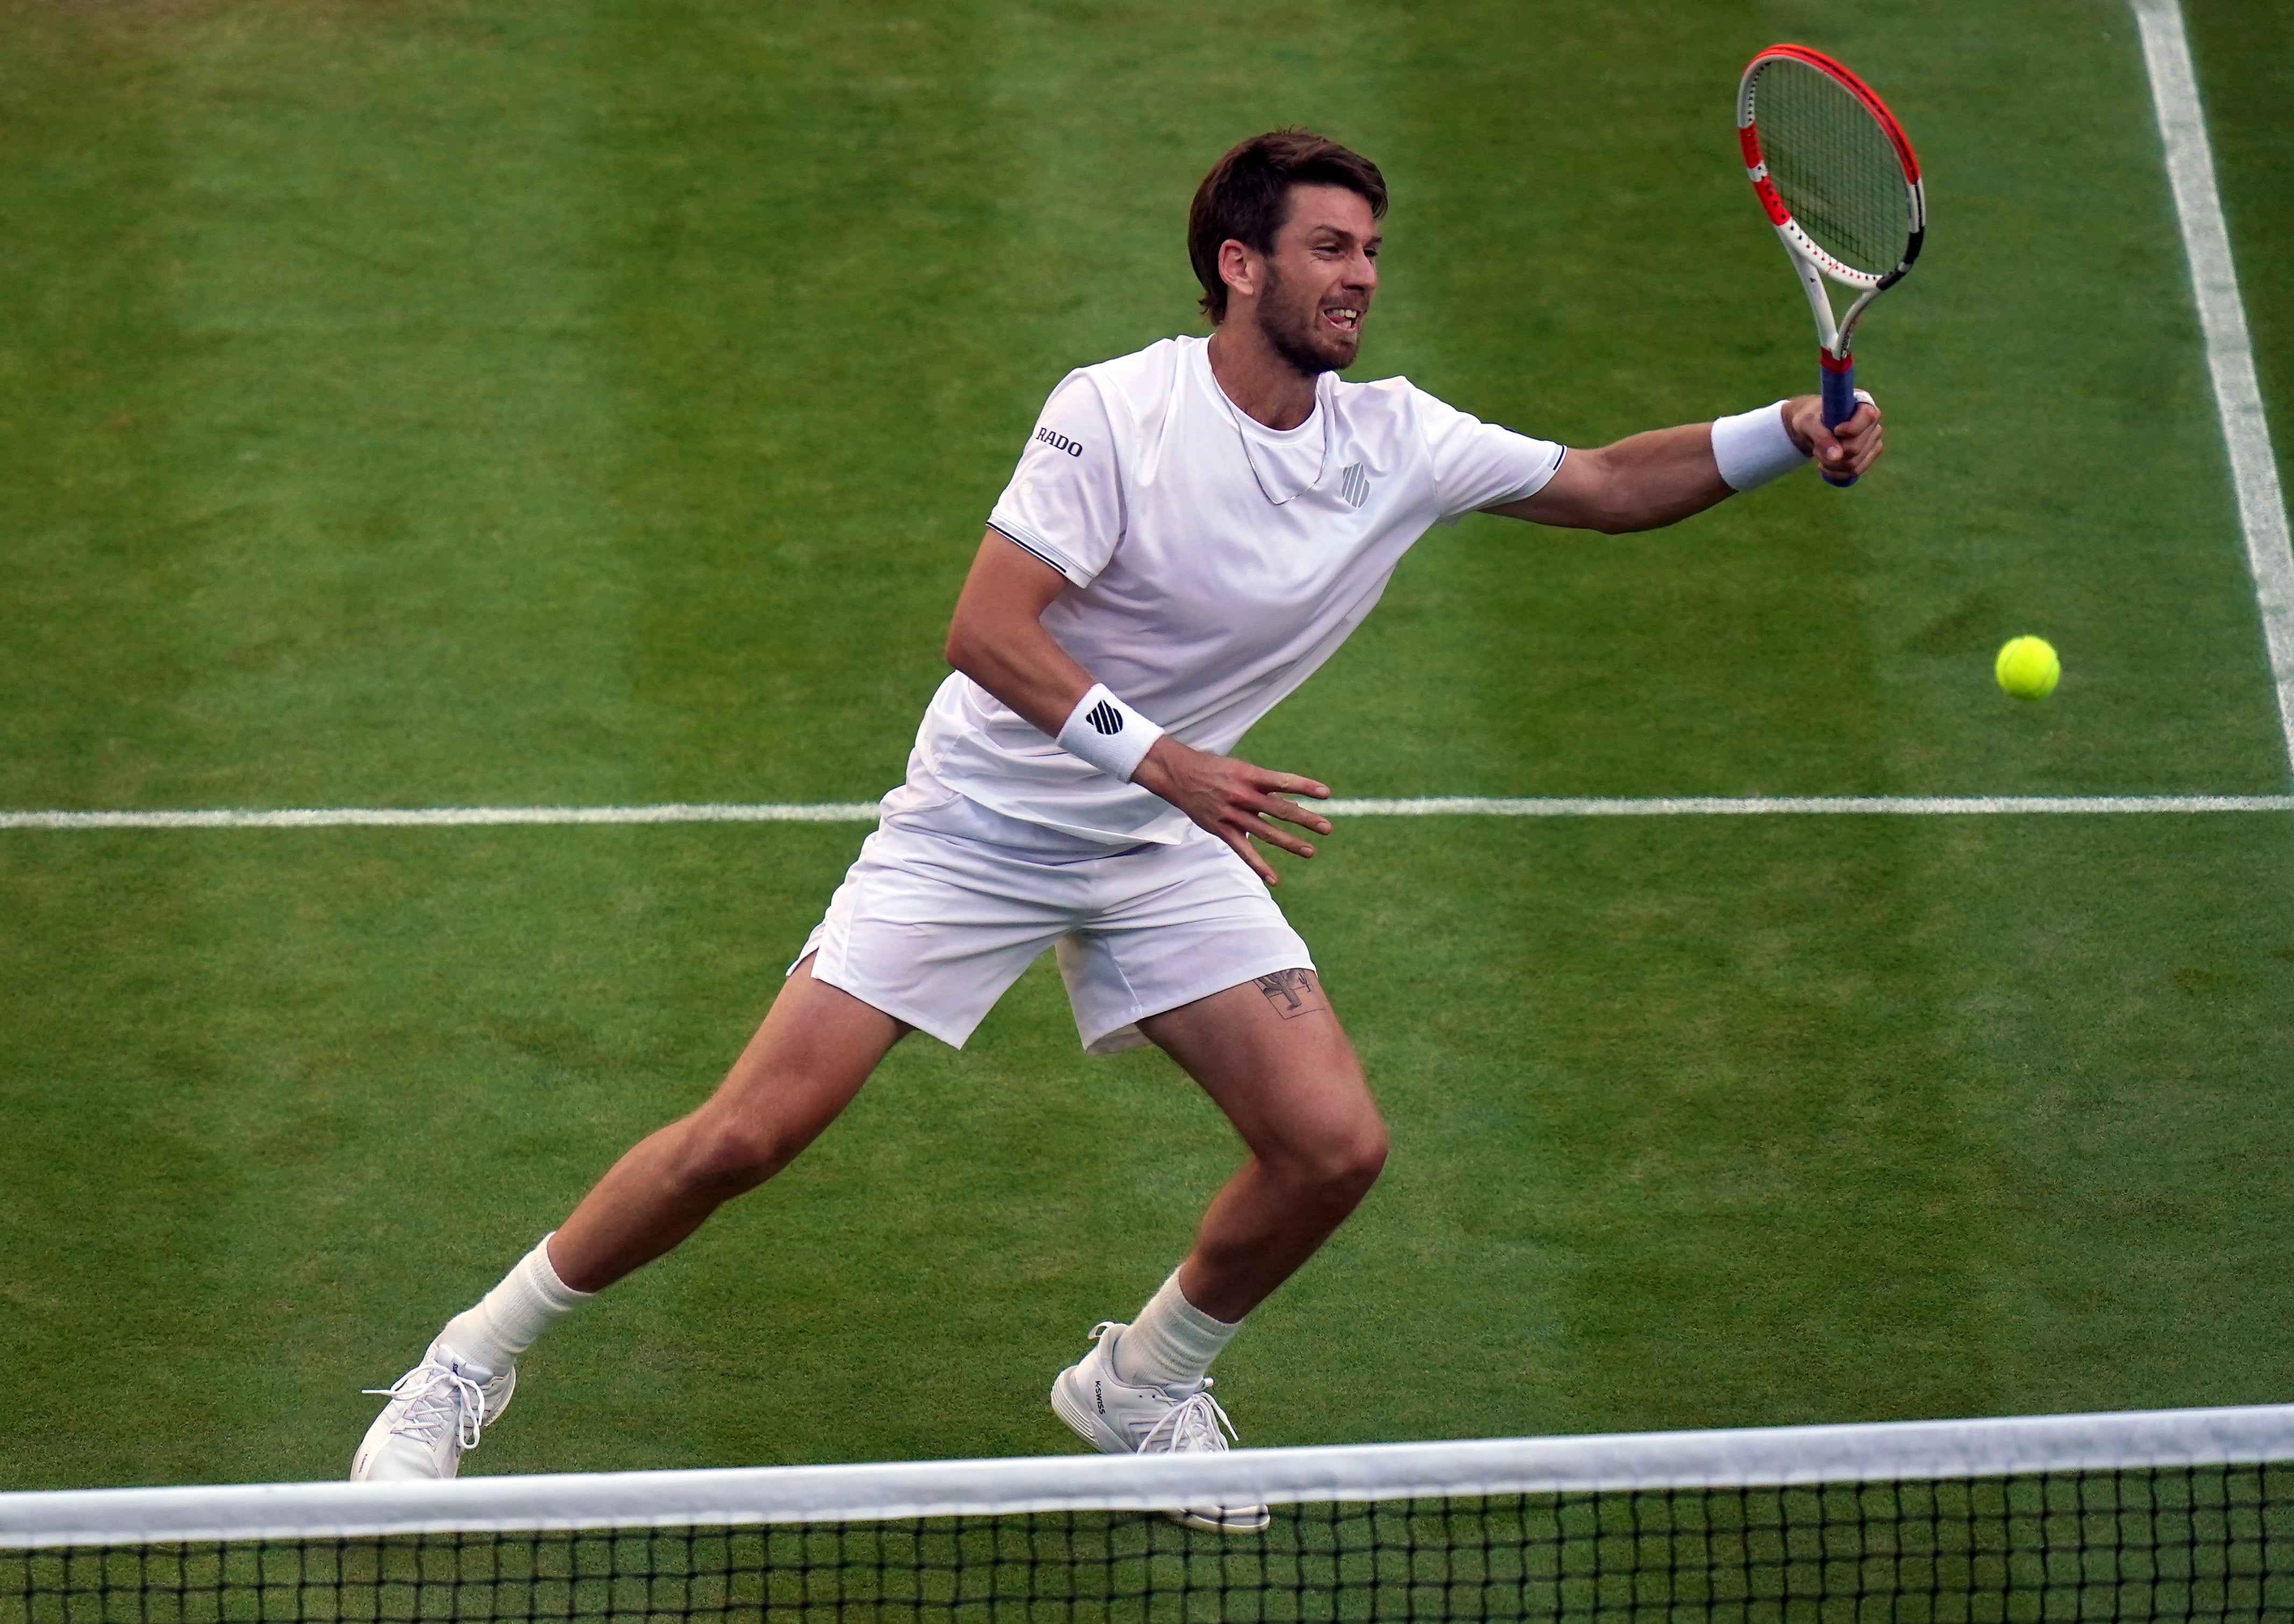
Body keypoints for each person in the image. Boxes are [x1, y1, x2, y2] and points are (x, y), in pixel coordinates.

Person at [351, 129, 1882, 1528]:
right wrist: (1165, 766)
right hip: (987, 824)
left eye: (1369, 252)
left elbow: (1608, 483)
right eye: (1330, 249)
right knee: (747, 1134)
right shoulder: (1115, 413)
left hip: (1157, 835)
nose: (1360, 278)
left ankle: (1138, 1383)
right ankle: (461, 1365)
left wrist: (1777, 431)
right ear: (1241, 264)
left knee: (1330, 1145)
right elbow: (985, 630)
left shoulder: (1392, 435)